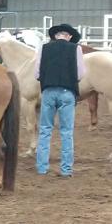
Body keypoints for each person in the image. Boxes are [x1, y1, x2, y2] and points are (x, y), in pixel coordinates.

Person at [35, 23, 85, 177]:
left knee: (44, 130)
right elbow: (80, 74)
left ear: (55, 35)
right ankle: (66, 169)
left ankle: (42, 168)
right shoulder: (75, 48)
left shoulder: (43, 48)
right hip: (67, 92)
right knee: (66, 132)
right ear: (69, 36)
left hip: (48, 91)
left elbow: (37, 73)